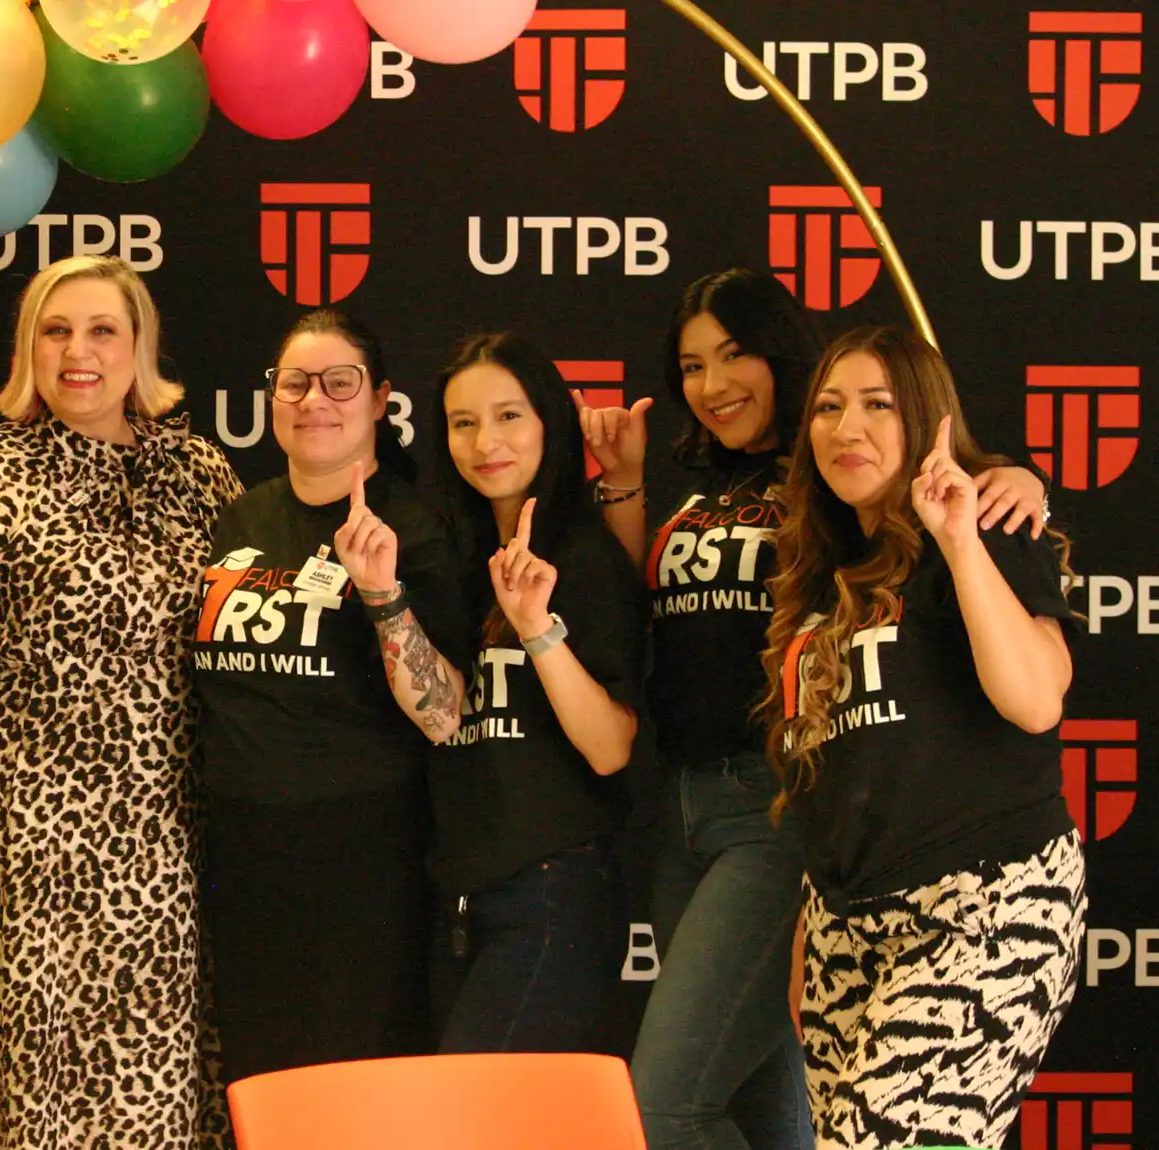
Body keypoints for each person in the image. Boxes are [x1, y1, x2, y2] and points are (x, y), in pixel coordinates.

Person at [578, 271, 1048, 1150]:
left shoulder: (840, 485)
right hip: (685, 806)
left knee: (668, 1100)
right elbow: (627, 616)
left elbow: (967, 523)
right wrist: (627, 487)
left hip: (786, 806)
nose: (713, 384)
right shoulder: (701, 492)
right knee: (755, 1097)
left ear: (782, 356)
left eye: (734, 354)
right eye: (690, 365)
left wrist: (1015, 480)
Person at [0, 255, 242, 1149]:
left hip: (154, 832)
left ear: (139, 346)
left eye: (102, 329)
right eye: (56, 331)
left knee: (147, 1081)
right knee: (21, 1084)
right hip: (10, 831)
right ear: (30, 349)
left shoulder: (200, 473)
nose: (79, 352)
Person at [763, 326, 1085, 1150]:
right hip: (848, 921)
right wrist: (817, 914)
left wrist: (959, 538)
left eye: (879, 405)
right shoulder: (819, 571)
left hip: (986, 903)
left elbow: (1038, 698)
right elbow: (834, 765)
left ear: (926, 421)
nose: (846, 429)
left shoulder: (987, 527)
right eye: (828, 408)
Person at [189, 308, 467, 1082]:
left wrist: (383, 596)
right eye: (295, 383)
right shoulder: (242, 514)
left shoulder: (414, 525)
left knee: (353, 1093)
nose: (315, 399)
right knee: (260, 1089)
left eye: (339, 382)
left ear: (380, 399)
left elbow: (446, 715)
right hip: (242, 861)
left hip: (363, 864)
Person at [423, 331, 644, 1054]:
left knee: (469, 1115)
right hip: (462, 897)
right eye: (463, 422)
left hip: (554, 893)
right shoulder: (451, 557)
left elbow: (612, 748)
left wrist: (538, 631)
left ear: (550, 421)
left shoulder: (583, 555)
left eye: (510, 415)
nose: (486, 440)